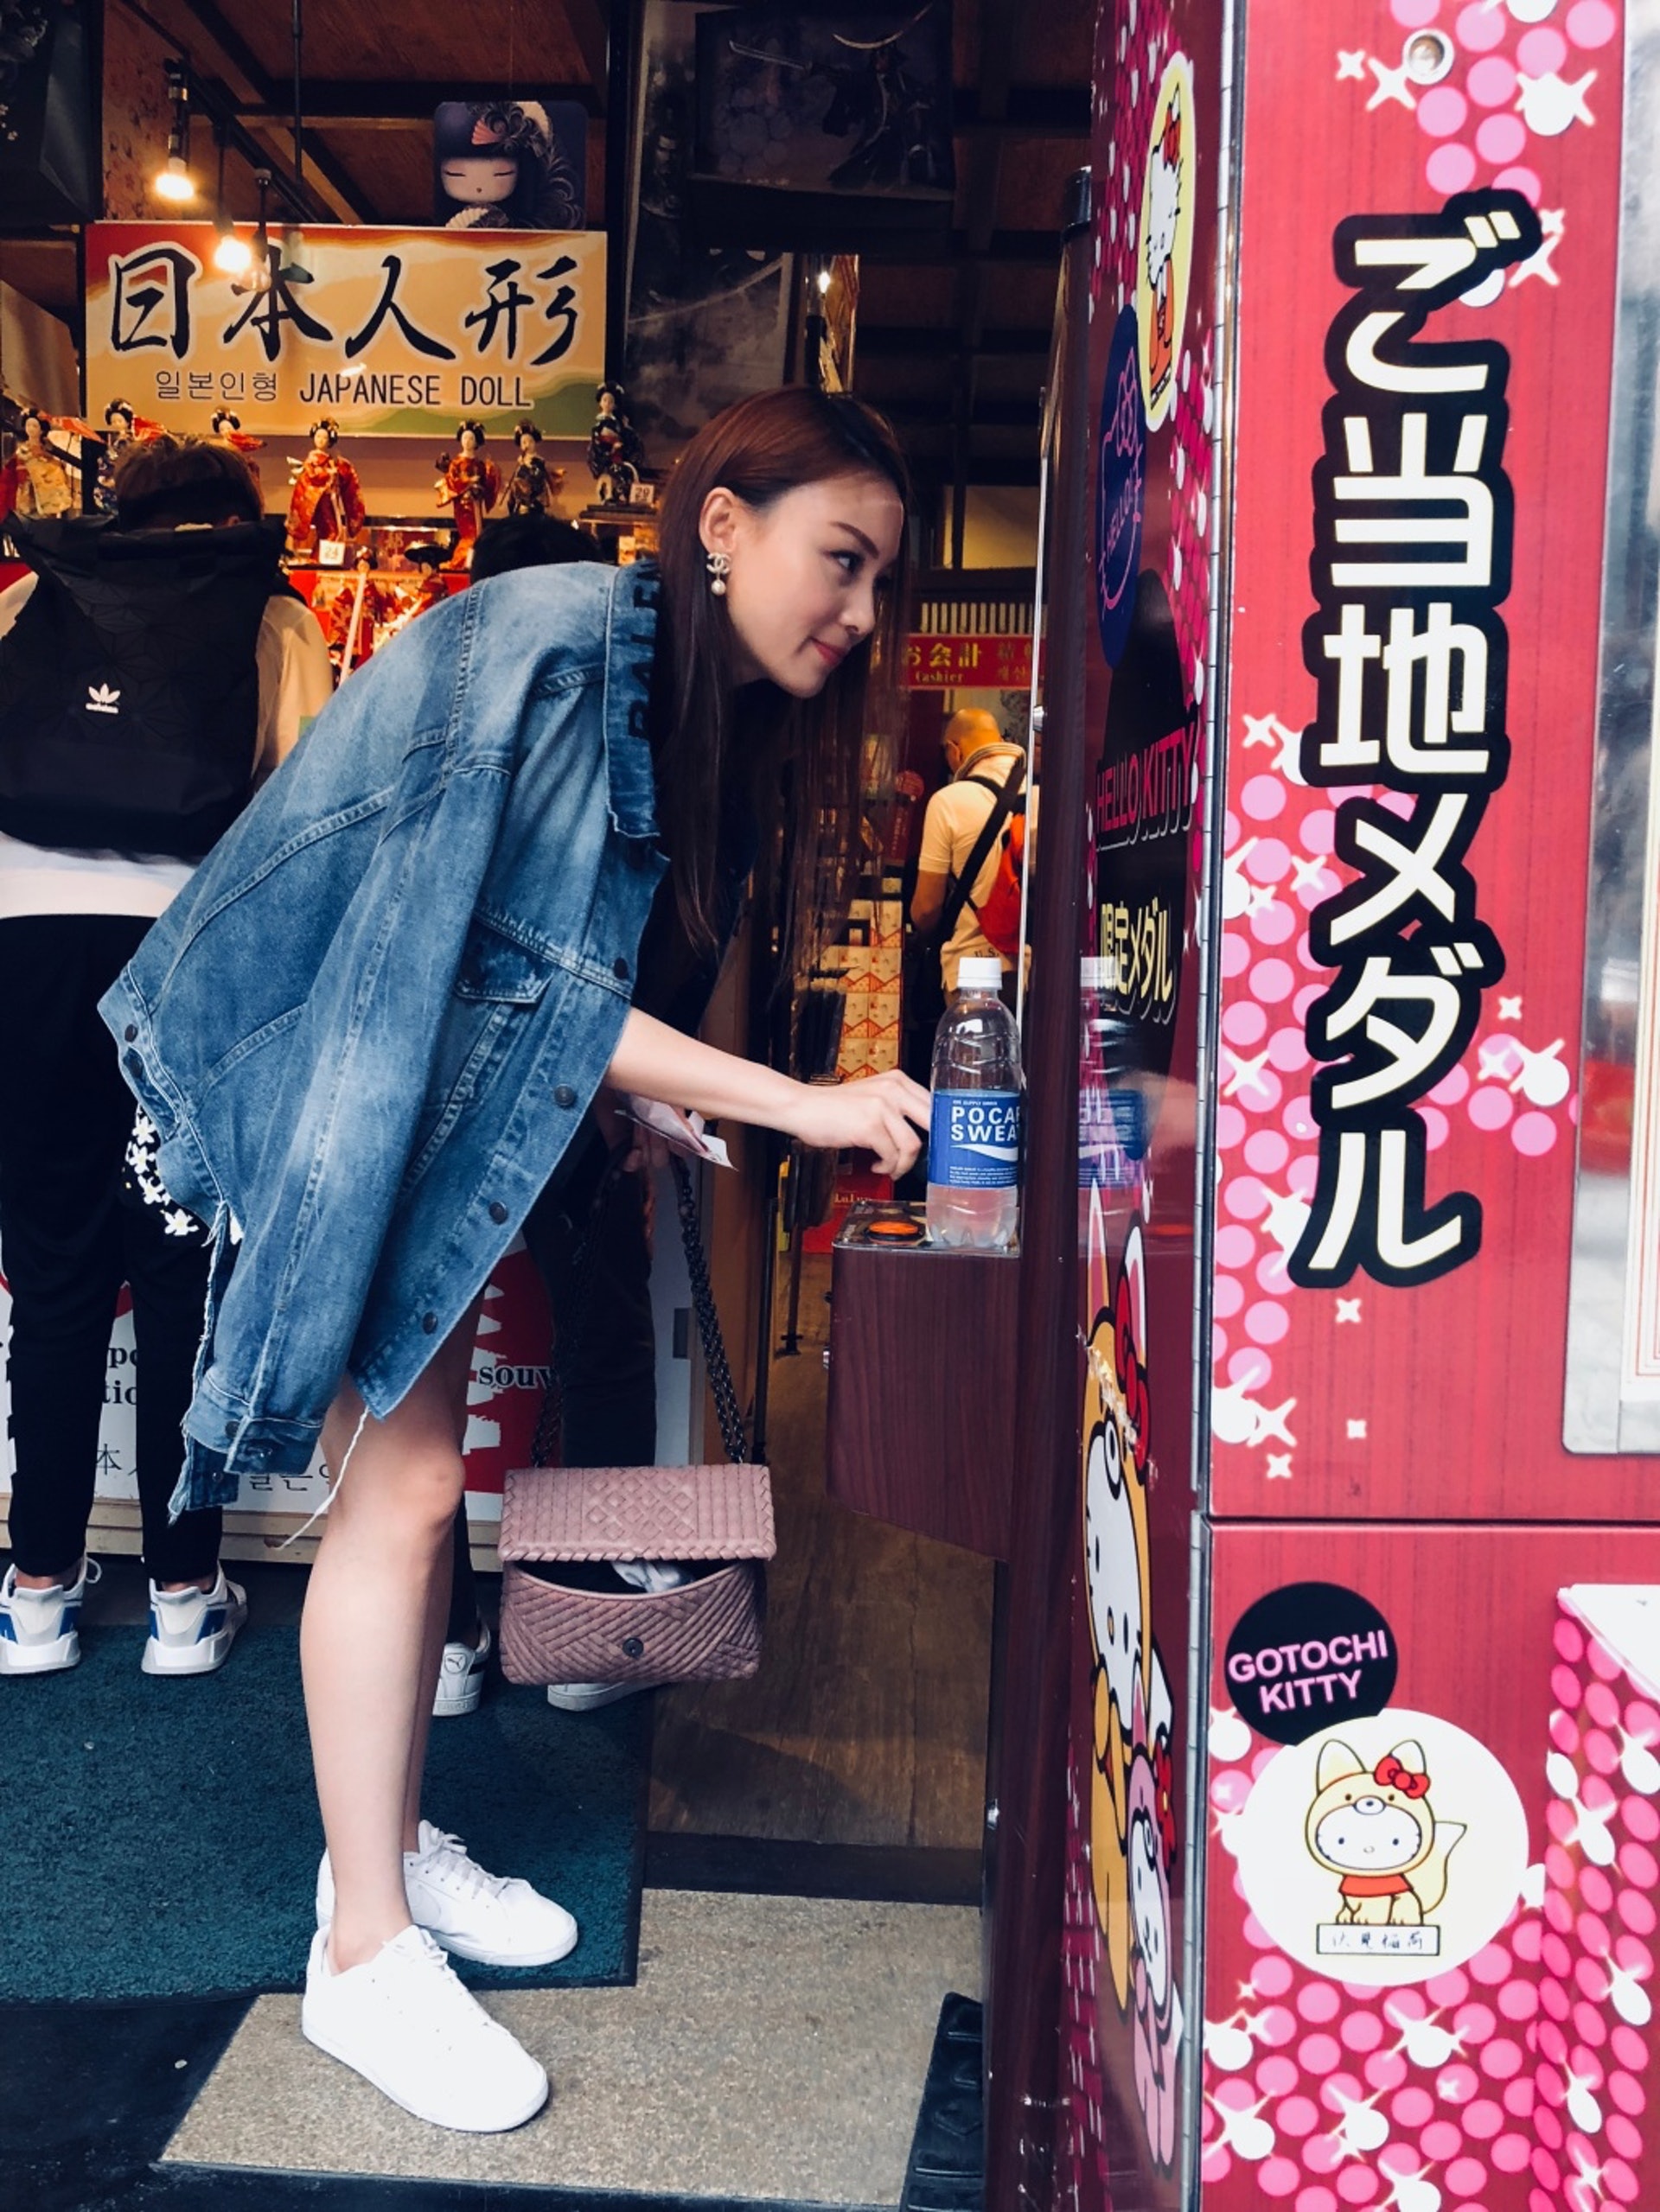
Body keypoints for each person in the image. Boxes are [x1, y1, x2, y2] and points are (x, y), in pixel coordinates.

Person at [99, 386, 927, 2133]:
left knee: (415, 1498)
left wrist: (659, 1099)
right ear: (724, 524)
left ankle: (383, 1849)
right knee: (402, 1496)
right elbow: (530, 984)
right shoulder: (568, 653)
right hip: (324, 1072)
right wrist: (797, 1097)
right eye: (841, 558)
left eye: (878, 581)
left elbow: (527, 991)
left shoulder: (627, 668)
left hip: (392, 1083)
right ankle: (363, 1950)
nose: (856, 611)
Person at [0, 435, 332, 1677]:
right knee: (181, 1267)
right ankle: (183, 1594)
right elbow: (305, 814)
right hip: (185, 955)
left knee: (52, 1269)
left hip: (24, 943)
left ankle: (37, 1588)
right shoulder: (274, 617)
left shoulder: (30, 598)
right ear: (239, 518)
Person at [909, 706, 1028, 997]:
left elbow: (926, 908)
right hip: (1033, 969)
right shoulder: (1041, 791)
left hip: (970, 971)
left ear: (955, 750)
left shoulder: (948, 801)